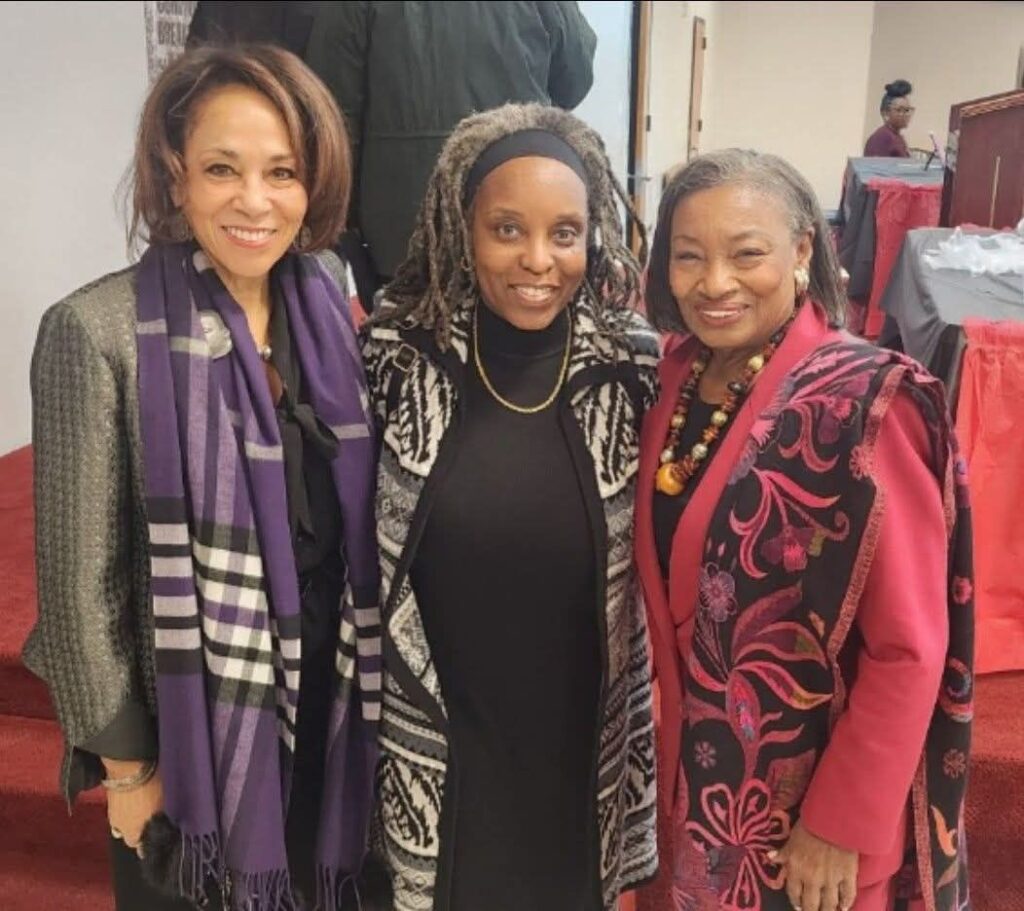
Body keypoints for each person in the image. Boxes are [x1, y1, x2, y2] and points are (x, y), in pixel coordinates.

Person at [25, 45, 380, 910]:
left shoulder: (327, 299)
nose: (255, 201)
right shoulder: (97, 329)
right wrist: (127, 769)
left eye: (282, 172)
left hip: (331, 701)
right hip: (196, 744)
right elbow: (78, 591)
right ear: (175, 174)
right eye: (223, 169)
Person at [634, 150, 973, 911]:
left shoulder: (862, 405)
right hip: (705, 791)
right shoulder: (671, 379)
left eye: (746, 254)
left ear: (801, 251)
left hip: (814, 819)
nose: (715, 282)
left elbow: (910, 646)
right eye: (688, 256)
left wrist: (840, 822)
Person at [359, 103, 659, 911]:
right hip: (443, 731)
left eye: (565, 233)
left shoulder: (631, 364)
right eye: (506, 229)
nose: (538, 259)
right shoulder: (398, 356)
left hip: (578, 736)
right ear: (463, 230)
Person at [305, 1, 597, 292]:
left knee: (402, 319)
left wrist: (346, 221)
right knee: (521, 314)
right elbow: (574, 80)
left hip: (402, 222)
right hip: (517, 212)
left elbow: (332, 116)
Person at [864, 80, 914, 157]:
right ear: (885, 114)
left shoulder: (897, 137)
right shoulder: (882, 138)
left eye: (907, 110)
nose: (906, 114)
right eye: (900, 110)